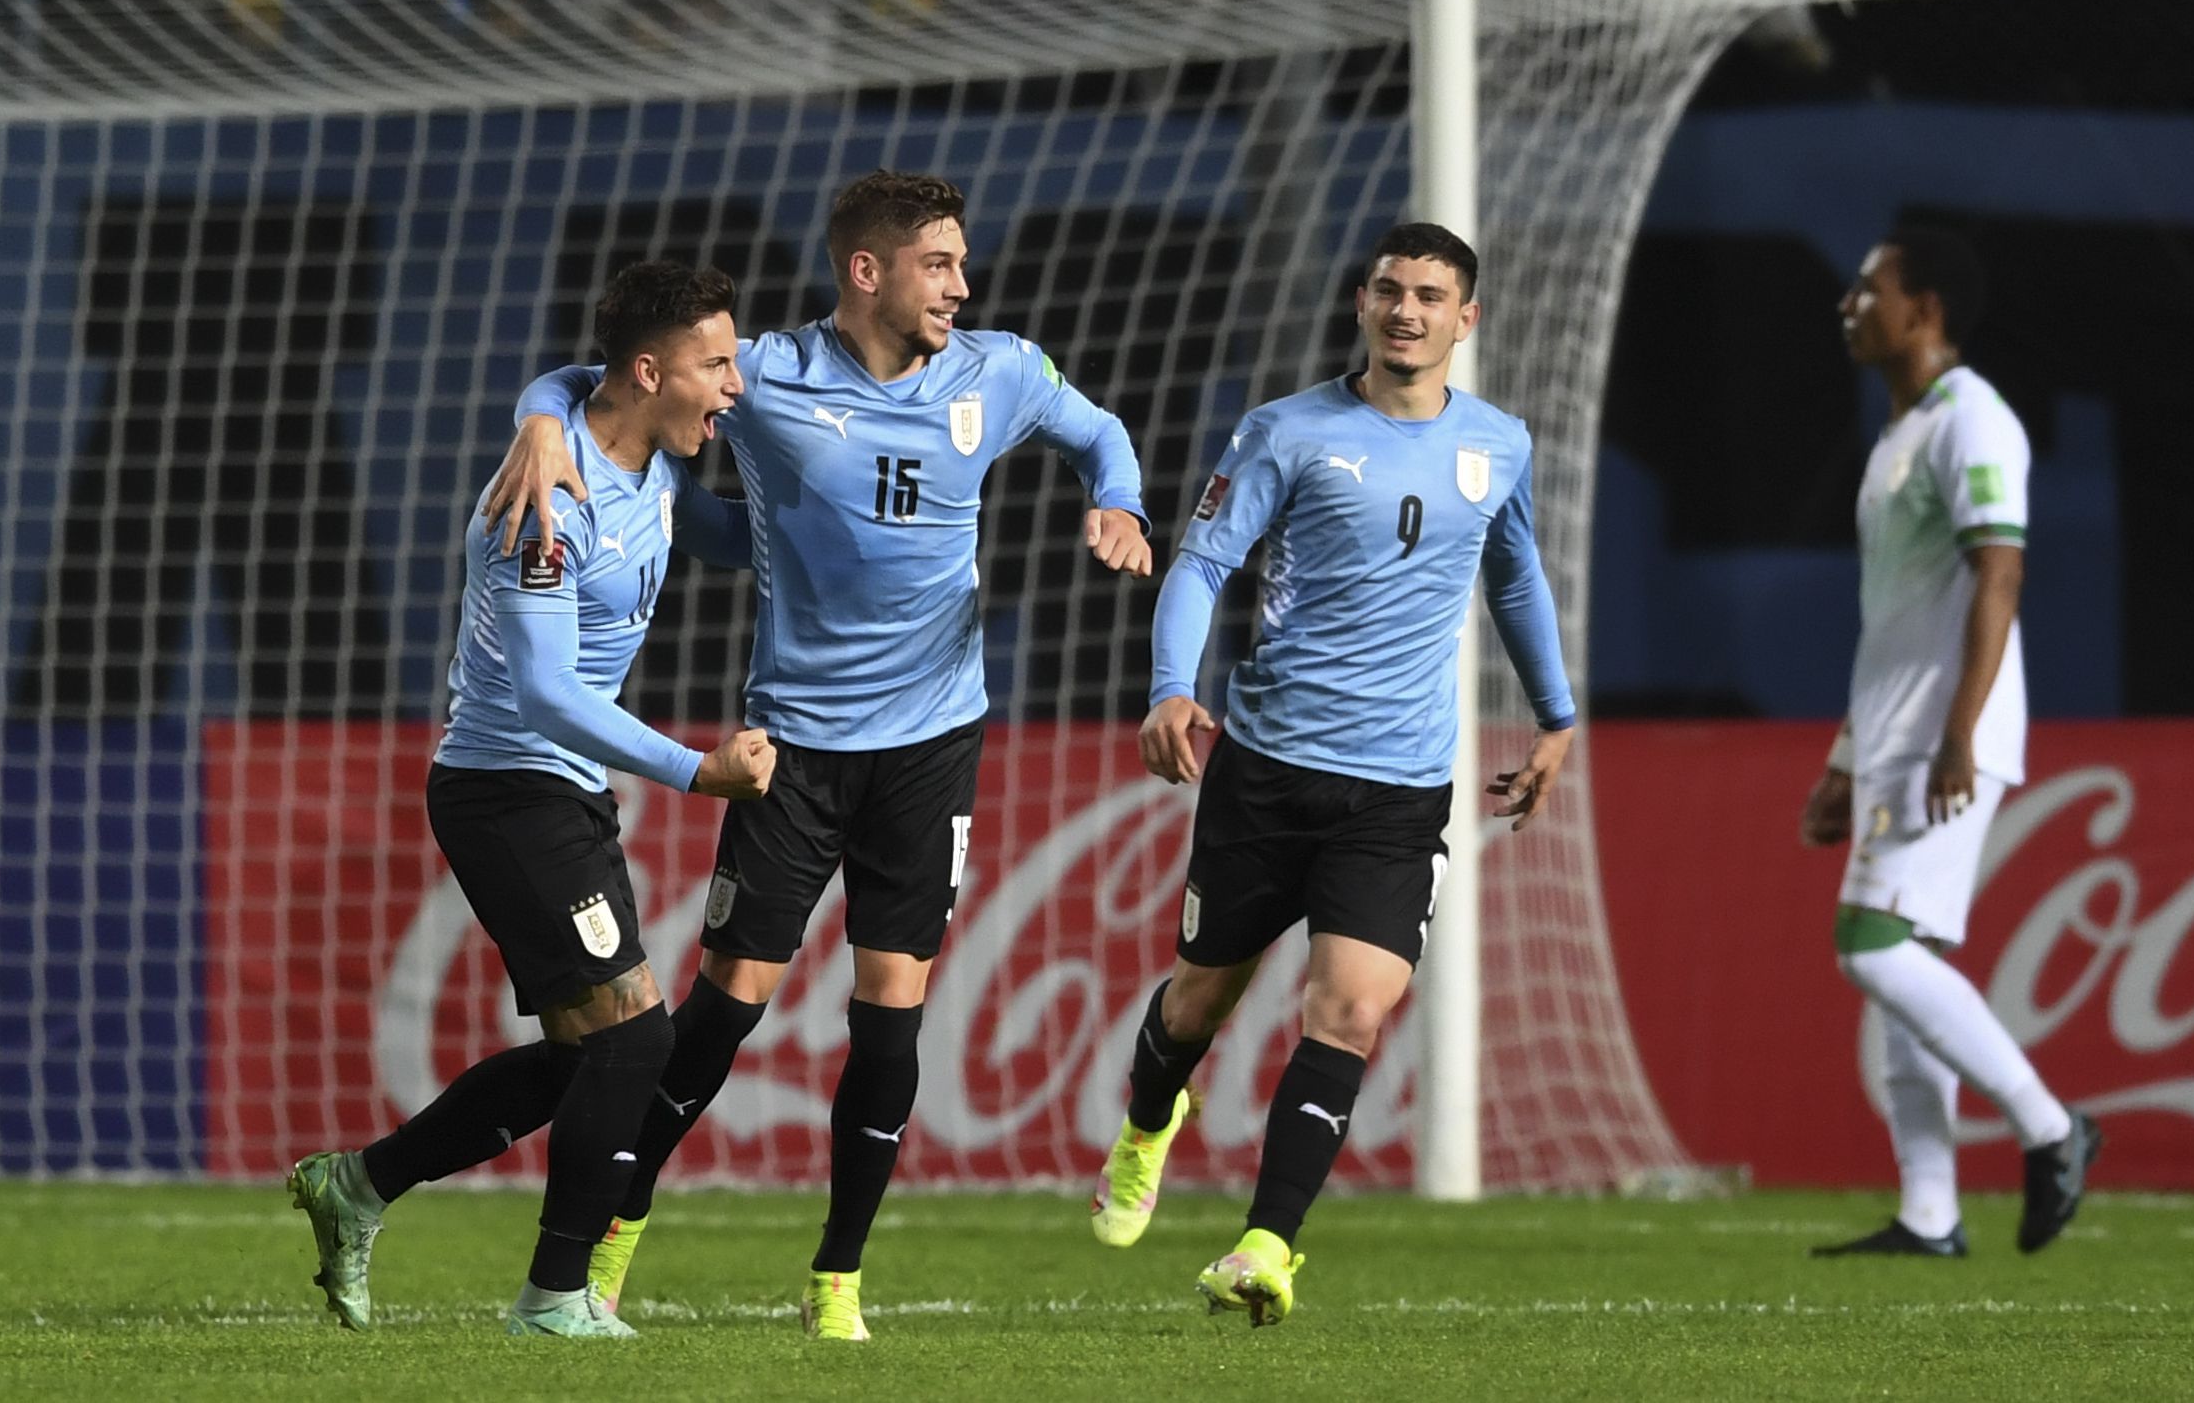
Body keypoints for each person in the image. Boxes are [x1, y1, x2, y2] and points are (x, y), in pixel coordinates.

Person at [486, 170, 1150, 1340]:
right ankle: (615, 1232)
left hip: (933, 741)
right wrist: (543, 417)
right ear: (867, 271)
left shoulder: (994, 371)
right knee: (725, 1008)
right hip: (790, 746)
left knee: (891, 1018)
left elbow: (1097, 431)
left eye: (957, 263)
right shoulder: (773, 377)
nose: (959, 283)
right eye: (936, 264)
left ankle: (837, 1274)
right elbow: (612, 381)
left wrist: (1122, 501)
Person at [1092, 223, 1576, 1327]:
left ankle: (1264, 1246)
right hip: (1266, 769)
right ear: (1360, 302)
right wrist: (1173, 686)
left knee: (1349, 1010)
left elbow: (1516, 577)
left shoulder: (1498, 445)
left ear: (1468, 318)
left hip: (1398, 790)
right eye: (1390, 290)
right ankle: (1149, 1118)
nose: (1407, 311)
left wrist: (1555, 716)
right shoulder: (1288, 430)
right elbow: (1203, 560)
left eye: (1431, 295)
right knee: (1202, 993)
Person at [287, 261, 777, 1339]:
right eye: (716, 364)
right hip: (508, 788)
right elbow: (551, 695)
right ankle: (555, 1295)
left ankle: (359, 1185)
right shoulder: (543, 502)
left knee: (584, 1053)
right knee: (634, 1042)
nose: (734, 385)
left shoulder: (643, 462)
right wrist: (701, 769)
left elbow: (738, 536)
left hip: (555, 795)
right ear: (652, 372)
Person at [1803, 227, 2098, 1259]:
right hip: (1895, 732)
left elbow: (1999, 576)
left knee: (1870, 946)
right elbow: (1891, 616)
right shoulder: (1898, 434)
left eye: (1868, 287)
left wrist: (1957, 732)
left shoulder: (1972, 419)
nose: (1849, 302)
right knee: (1903, 955)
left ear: (1923, 310)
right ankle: (1929, 1210)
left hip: (1945, 736)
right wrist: (1847, 755)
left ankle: (2052, 1125)